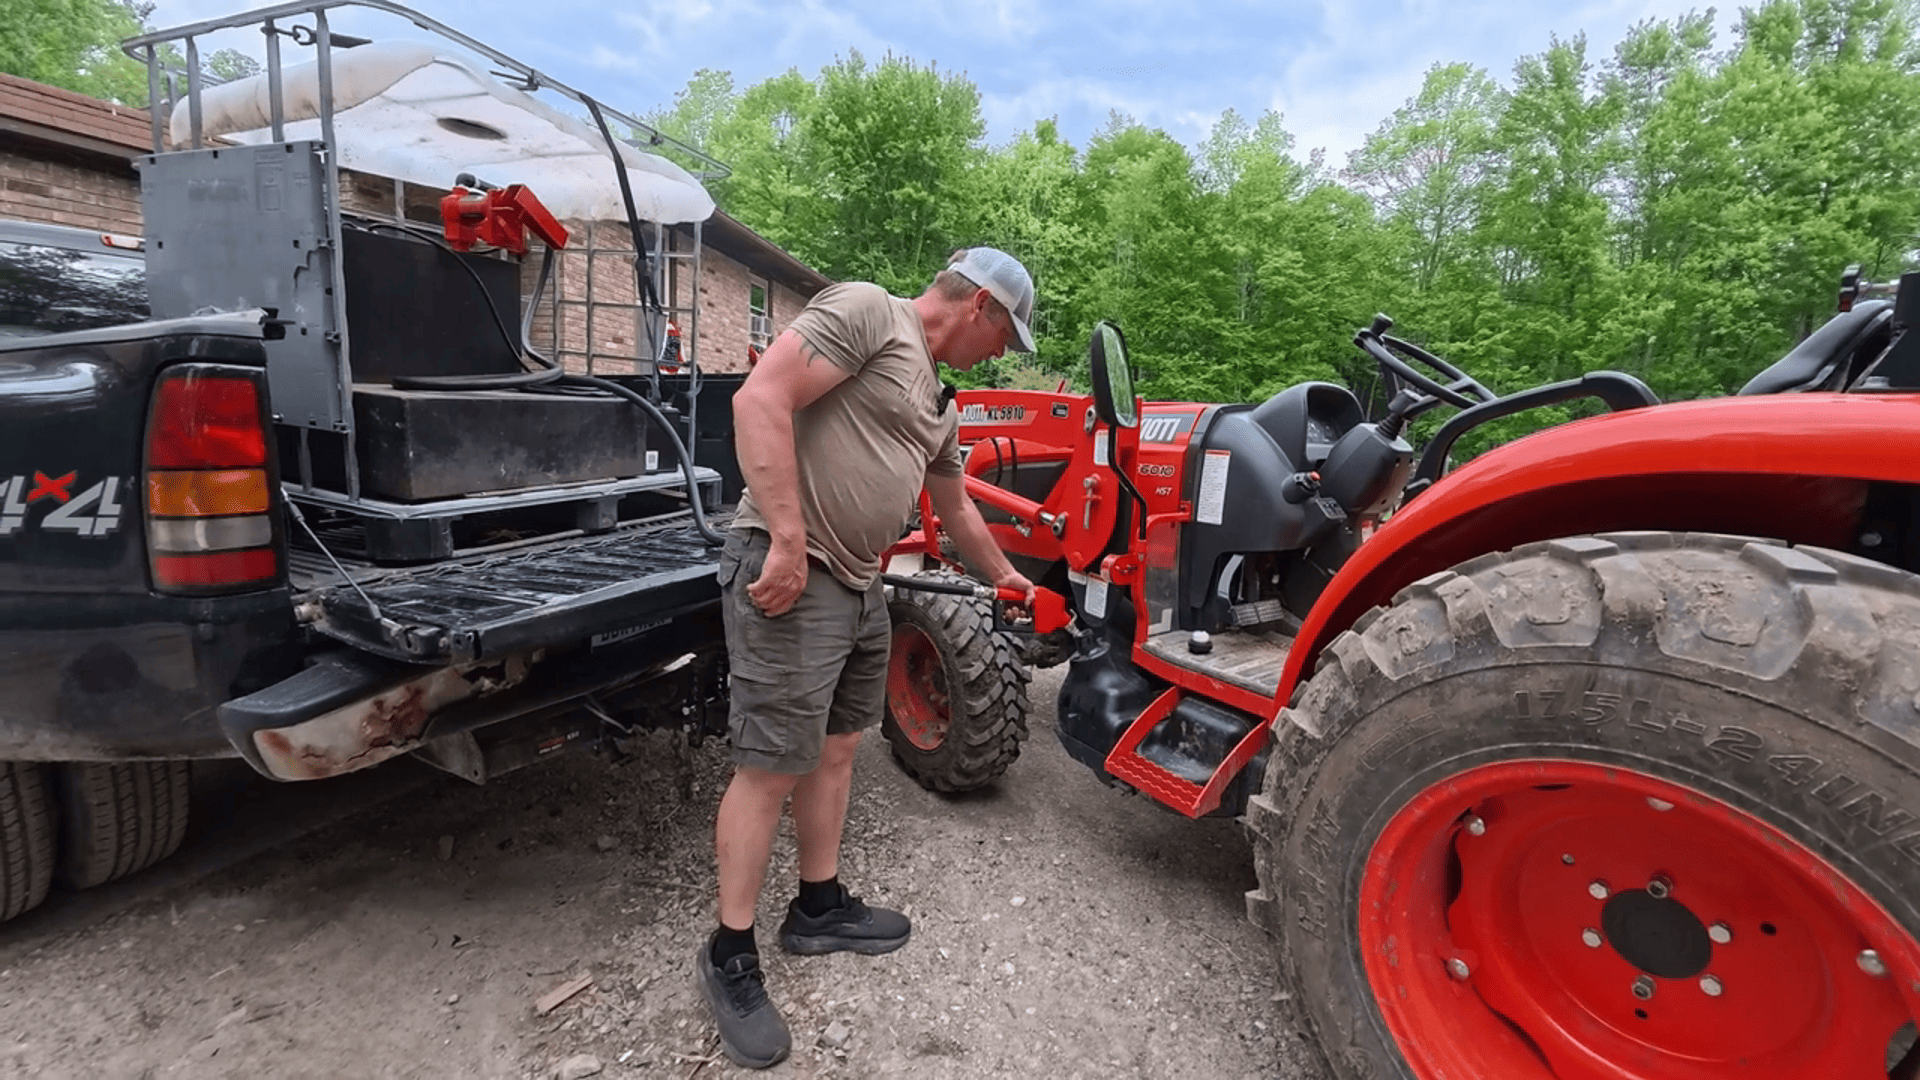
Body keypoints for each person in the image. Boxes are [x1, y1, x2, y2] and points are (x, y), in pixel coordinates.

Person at [698, 247, 1040, 1068]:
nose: (1000, 354)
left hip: (860, 584)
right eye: (1005, 336)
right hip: (794, 569)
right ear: (981, 307)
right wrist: (783, 537)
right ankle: (729, 952)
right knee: (771, 764)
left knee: (840, 749)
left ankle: (817, 907)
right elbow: (761, 398)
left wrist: (1004, 576)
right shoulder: (868, 313)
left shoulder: (936, 395)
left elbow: (951, 502)